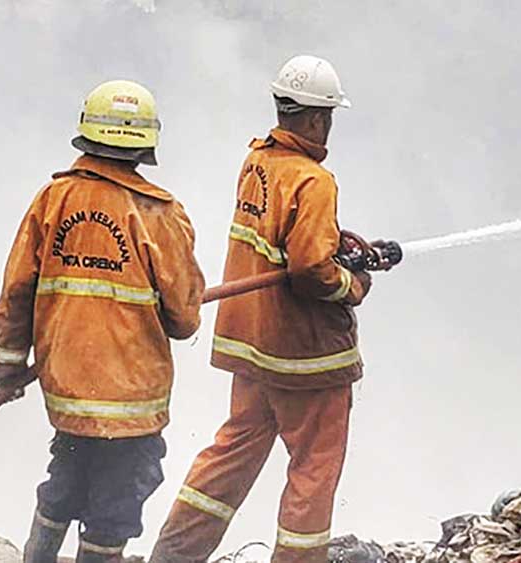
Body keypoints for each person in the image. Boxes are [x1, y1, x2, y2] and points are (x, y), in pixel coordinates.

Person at [149, 55, 369, 563]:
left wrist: (332, 241)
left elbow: (280, 243)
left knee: (231, 453)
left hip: (251, 345)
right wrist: (353, 284)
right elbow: (311, 270)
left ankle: (174, 555)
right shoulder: (314, 180)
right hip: (305, 358)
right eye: (328, 116)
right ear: (316, 118)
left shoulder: (257, 164)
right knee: (313, 470)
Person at [0, 80, 205, 563]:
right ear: (146, 144)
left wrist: (7, 363)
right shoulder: (160, 215)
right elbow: (185, 318)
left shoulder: (52, 200)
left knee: (65, 483)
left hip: (67, 392)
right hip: (132, 403)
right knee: (114, 506)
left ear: (88, 132)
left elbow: (18, 289)